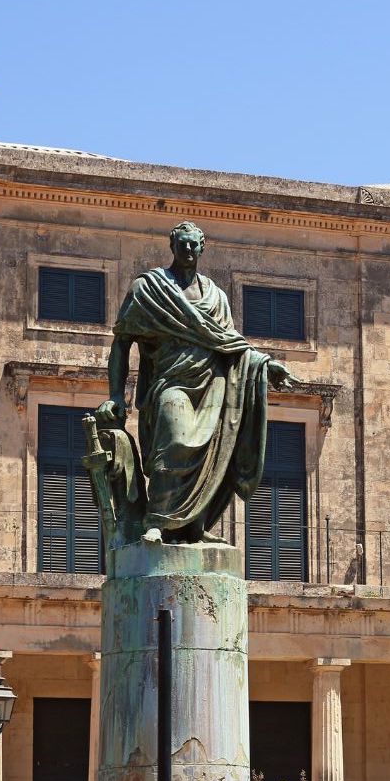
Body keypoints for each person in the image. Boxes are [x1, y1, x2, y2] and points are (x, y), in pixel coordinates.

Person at [95, 221, 297, 543]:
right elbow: (122, 342)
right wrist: (116, 396)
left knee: (211, 453)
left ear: (202, 248)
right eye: (182, 244)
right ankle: (157, 521)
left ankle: (193, 528)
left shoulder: (216, 296)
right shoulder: (149, 288)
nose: (188, 250)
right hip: (171, 382)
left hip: (212, 386)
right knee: (174, 441)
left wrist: (267, 365)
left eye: (194, 245)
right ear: (172, 245)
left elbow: (231, 345)